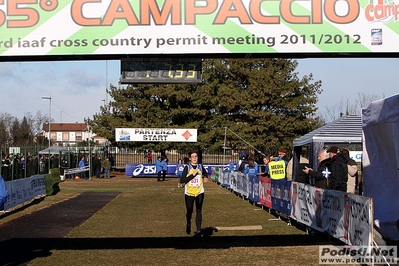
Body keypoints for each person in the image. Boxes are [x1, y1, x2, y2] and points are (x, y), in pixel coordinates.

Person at [179, 151, 208, 237]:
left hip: (199, 191)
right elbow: (182, 180)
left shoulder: (200, 166)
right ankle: (188, 222)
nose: (195, 158)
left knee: (199, 210)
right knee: (189, 210)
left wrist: (206, 177)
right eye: (193, 156)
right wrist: (192, 175)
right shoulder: (187, 167)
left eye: (196, 156)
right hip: (189, 193)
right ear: (190, 158)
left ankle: (199, 230)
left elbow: (205, 173)